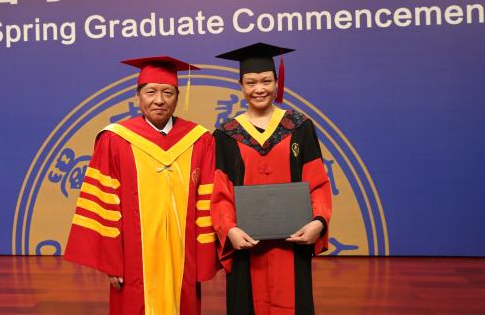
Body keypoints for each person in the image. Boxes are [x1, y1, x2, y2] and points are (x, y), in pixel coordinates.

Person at [64, 56, 218, 315]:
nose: (159, 100)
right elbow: (103, 205)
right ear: (137, 97)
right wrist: (112, 262)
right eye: (151, 92)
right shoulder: (115, 140)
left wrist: (203, 258)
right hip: (132, 260)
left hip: (183, 257)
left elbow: (207, 201)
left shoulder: (199, 140)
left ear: (177, 98)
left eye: (167, 92)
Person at [210, 42, 332, 315]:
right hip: (246, 245)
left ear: (277, 83)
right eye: (251, 82)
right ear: (241, 86)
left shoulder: (300, 127)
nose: (259, 89)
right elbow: (220, 193)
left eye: (266, 81)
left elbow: (318, 182)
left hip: (292, 242)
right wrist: (229, 229)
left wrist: (319, 221)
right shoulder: (226, 135)